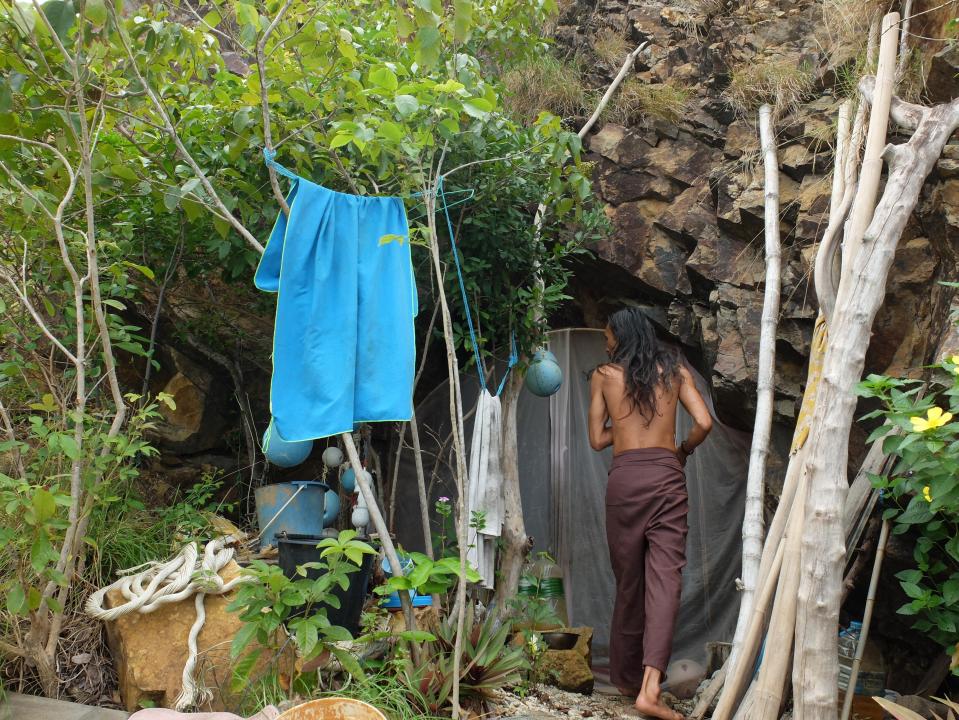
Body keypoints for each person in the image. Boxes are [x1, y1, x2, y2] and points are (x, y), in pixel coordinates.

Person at [588, 307, 713, 720]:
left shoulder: (604, 376)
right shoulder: (675, 371)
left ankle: (625, 680)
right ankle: (649, 688)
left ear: (621, 339)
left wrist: (623, 429)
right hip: (665, 477)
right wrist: (681, 451)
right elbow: (703, 423)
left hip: (624, 483)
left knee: (629, 583)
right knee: (665, 582)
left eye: (608, 338)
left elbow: (595, 439)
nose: (606, 344)